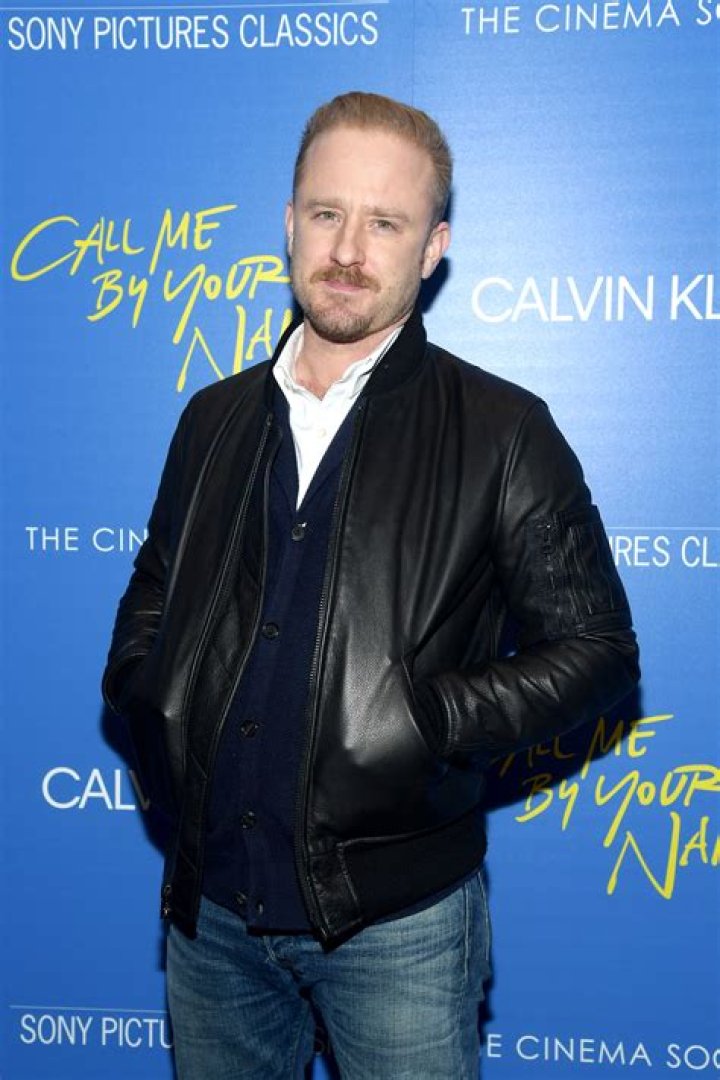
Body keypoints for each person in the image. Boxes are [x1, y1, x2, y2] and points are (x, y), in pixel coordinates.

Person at [103, 91, 639, 1079]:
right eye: (326, 213)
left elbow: (598, 650)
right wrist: (150, 697)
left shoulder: (503, 431)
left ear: (433, 247)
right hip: (208, 917)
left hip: (399, 929)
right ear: (289, 223)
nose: (348, 250)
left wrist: (429, 721)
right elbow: (153, 594)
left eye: (385, 223)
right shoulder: (213, 418)